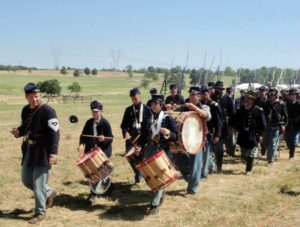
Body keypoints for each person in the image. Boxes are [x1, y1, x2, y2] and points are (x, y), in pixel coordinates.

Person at [10, 83, 60, 224]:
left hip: (43, 152)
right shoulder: (25, 110)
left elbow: (55, 133)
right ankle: (49, 192)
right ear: (26, 97)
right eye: (31, 96)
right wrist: (18, 132)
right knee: (26, 180)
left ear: (40, 95)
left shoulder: (48, 111)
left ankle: (40, 213)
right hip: (29, 151)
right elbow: (25, 127)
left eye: (37, 96)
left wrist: (53, 153)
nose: (34, 99)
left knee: (38, 185)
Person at [141, 94, 178, 215]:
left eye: (156, 104)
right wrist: (139, 146)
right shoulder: (148, 118)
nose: (153, 105)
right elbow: (143, 135)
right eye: (152, 103)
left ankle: (154, 204)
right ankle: (159, 195)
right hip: (150, 149)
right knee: (151, 177)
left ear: (161, 105)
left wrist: (168, 133)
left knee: (158, 177)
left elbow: (176, 136)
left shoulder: (167, 118)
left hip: (162, 151)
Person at [173, 86, 211, 196]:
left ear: (199, 97)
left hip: (198, 141)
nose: (191, 96)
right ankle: (192, 181)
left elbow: (207, 116)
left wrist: (194, 107)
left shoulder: (204, 106)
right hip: (184, 140)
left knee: (195, 165)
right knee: (179, 162)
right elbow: (174, 114)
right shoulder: (185, 107)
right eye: (190, 95)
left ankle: (192, 190)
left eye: (193, 95)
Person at [78, 100, 114, 205]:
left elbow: (111, 138)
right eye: (93, 111)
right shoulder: (89, 122)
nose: (94, 114)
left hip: (103, 152)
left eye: (96, 111)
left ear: (101, 111)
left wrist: (104, 140)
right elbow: (83, 135)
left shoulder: (105, 123)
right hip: (91, 151)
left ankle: (106, 189)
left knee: (102, 173)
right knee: (93, 174)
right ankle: (93, 194)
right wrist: (81, 144)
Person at [120, 88, 152, 183]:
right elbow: (123, 125)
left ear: (139, 96)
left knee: (141, 156)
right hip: (131, 137)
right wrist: (125, 132)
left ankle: (144, 174)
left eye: (136, 97)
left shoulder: (147, 109)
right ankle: (138, 172)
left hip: (143, 136)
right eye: (133, 98)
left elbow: (150, 125)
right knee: (130, 156)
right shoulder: (128, 110)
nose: (134, 99)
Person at [231, 91, 266, 175]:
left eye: (249, 99)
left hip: (253, 134)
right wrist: (234, 128)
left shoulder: (258, 110)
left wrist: (261, 134)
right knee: (243, 154)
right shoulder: (240, 110)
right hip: (243, 134)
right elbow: (235, 120)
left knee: (250, 154)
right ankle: (248, 162)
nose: (247, 100)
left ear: (253, 100)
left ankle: (248, 170)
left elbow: (263, 124)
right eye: (246, 98)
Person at [201, 86, 223, 179]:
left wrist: (217, 135)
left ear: (209, 93)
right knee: (207, 152)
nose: (204, 95)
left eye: (205, 93)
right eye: (202, 94)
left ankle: (204, 173)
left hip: (211, 131)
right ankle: (211, 168)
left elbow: (219, 121)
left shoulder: (214, 105)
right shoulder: (200, 104)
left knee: (207, 152)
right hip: (202, 130)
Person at [264, 88, 288, 165]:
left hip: (277, 125)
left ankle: (270, 160)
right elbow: (263, 115)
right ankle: (273, 153)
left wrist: (284, 125)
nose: (271, 96)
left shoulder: (281, 104)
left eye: (273, 95)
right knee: (266, 141)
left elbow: (286, 116)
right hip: (267, 124)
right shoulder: (266, 103)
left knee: (273, 142)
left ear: (276, 95)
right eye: (270, 95)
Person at [284, 89, 300, 160]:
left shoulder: (298, 103)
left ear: (296, 95)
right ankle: (290, 149)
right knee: (287, 139)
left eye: (294, 94)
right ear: (289, 95)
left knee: (293, 140)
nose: (293, 95)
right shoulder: (286, 104)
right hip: (288, 124)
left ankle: (291, 156)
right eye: (291, 94)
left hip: (296, 124)